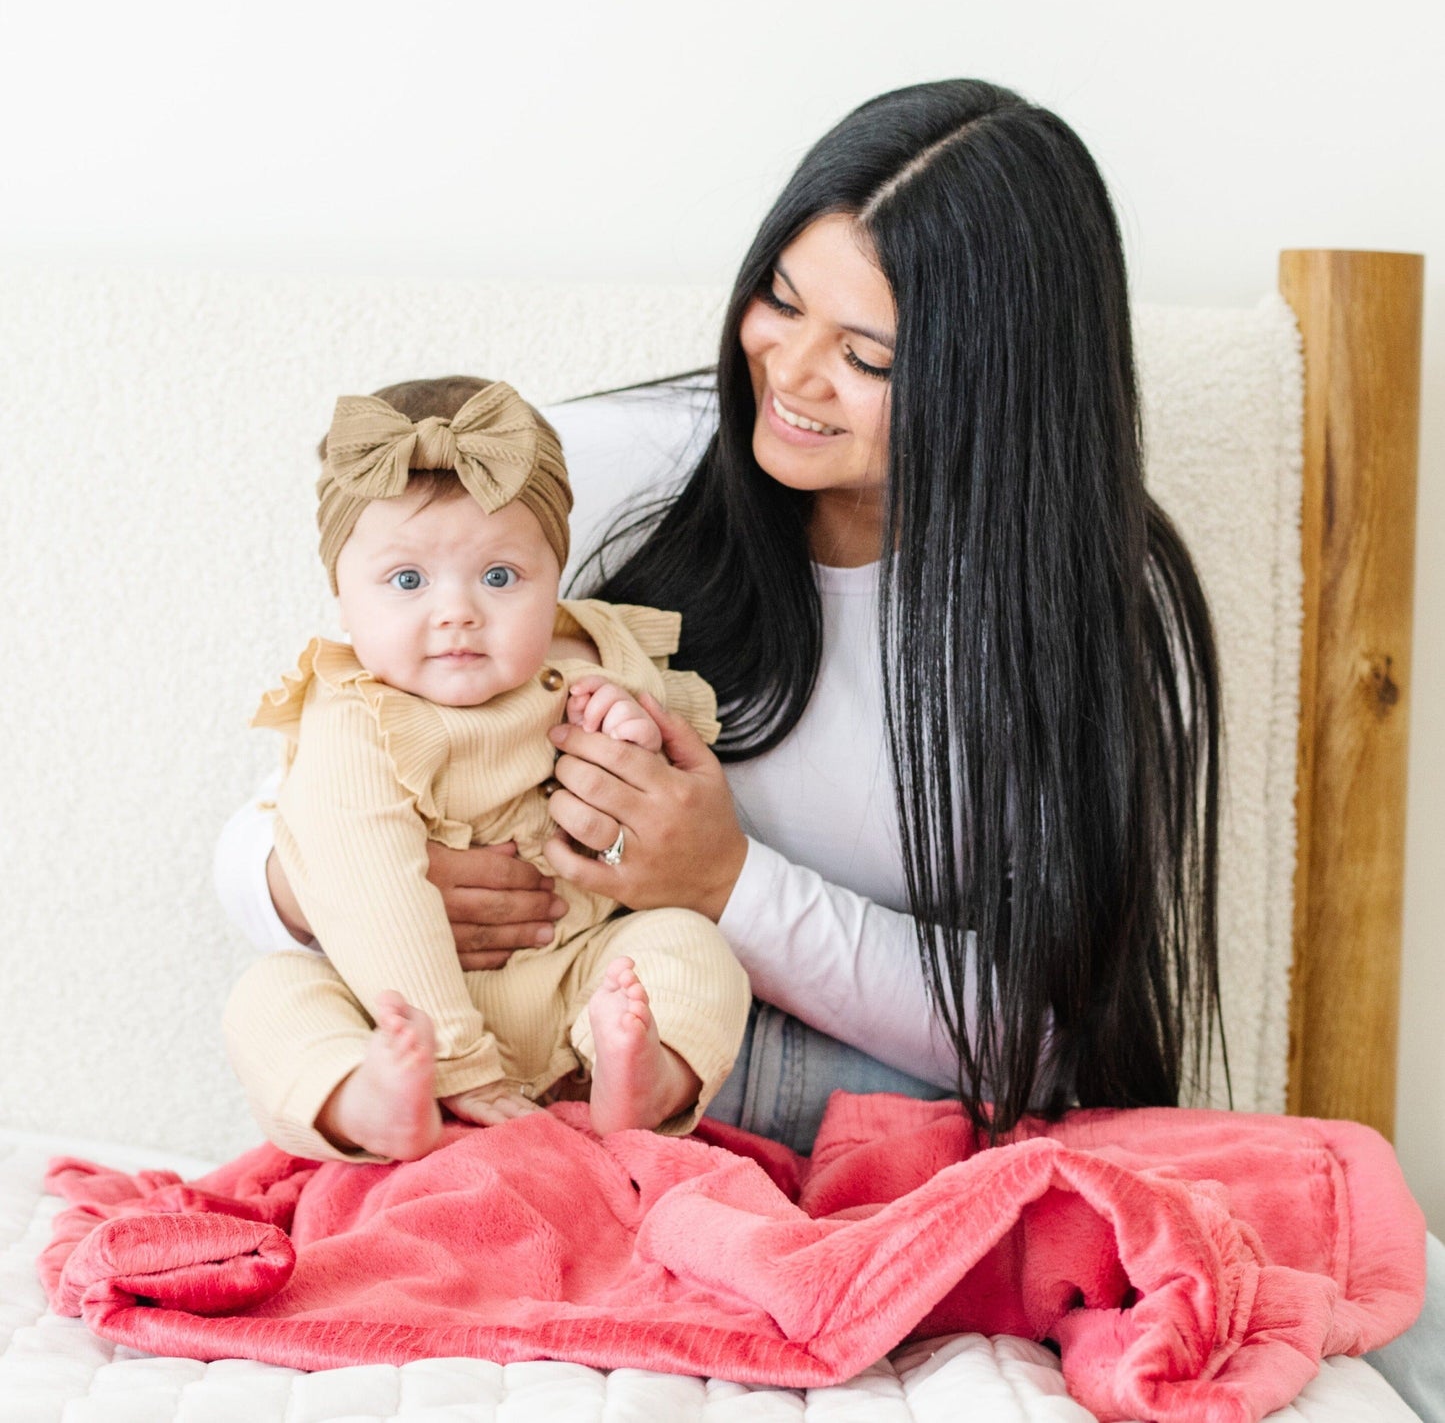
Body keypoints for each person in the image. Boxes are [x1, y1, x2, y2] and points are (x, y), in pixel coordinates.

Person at [216, 80, 1442, 1417]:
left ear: (992, 382)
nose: (788, 373)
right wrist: (323, 889)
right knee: (288, 1001)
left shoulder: (1086, 607)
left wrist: (725, 886)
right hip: (486, 1039)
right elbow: (280, 807)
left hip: (810, 1085)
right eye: (779, 301)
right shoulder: (610, 478)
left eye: (866, 354)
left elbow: (1036, 1035)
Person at [223, 375, 749, 1163]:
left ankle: (636, 1075)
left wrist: (632, 739)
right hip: (397, 1015)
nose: (457, 612)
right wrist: (453, 1058)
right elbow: (366, 888)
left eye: (499, 577)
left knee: (688, 946)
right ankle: (371, 1100)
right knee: (271, 996)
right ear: (342, 595)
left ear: (553, 577)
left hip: (572, 976)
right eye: (407, 581)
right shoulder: (352, 716)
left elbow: (651, 826)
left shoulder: (594, 660)